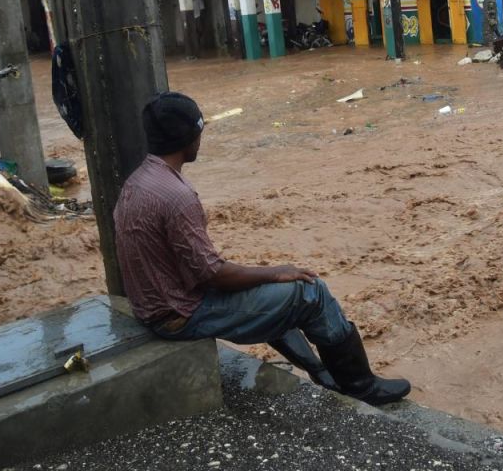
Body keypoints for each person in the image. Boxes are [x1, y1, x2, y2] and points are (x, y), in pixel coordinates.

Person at [113, 92, 410, 405]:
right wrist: (275, 272)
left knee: (266, 290)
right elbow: (212, 274)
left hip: (156, 305)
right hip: (180, 314)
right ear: (189, 137)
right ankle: (361, 386)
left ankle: (320, 370)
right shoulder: (178, 196)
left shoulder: (139, 181)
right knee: (310, 292)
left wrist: (266, 277)